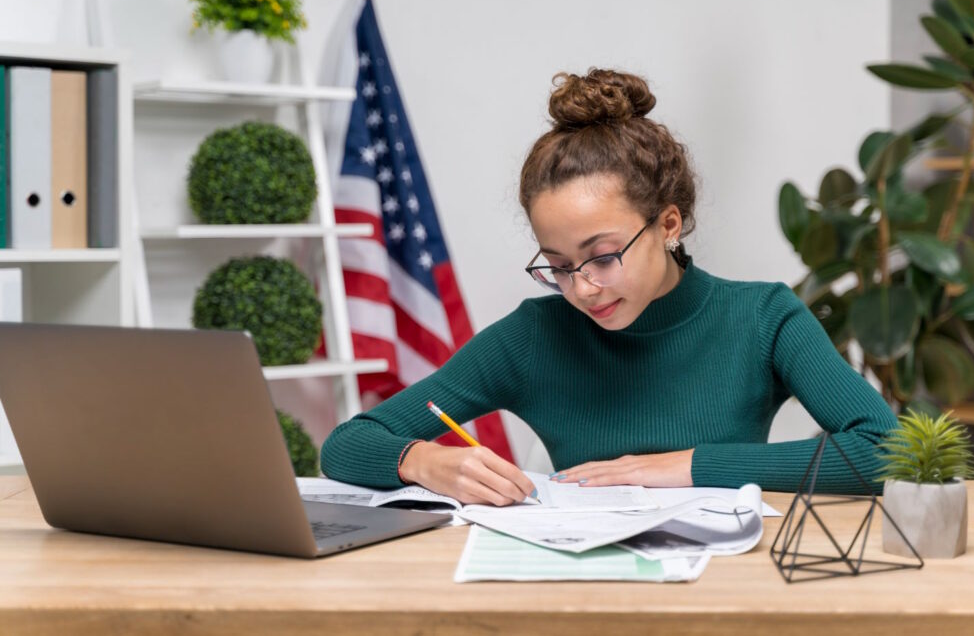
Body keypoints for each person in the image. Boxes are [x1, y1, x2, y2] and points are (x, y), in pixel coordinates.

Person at [321, 68, 898, 505]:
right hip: (575, 590)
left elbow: (884, 450)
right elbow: (346, 445)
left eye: (601, 256)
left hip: (722, 592)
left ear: (668, 224)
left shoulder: (762, 316)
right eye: (558, 265)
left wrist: (686, 466)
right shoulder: (532, 337)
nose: (583, 289)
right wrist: (422, 461)